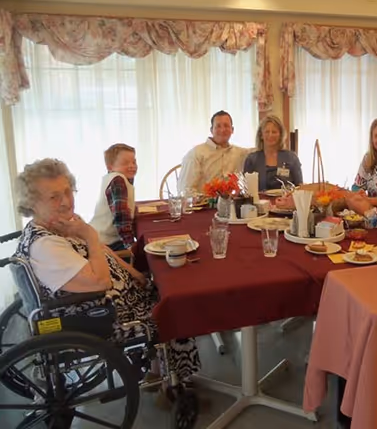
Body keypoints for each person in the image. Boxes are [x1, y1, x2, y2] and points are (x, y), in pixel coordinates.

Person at [14, 158, 200, 382]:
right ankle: (176, 383)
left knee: (169, 285)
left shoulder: (62, 222)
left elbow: (101, 250)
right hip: (104, 314)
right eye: (54, 197)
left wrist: (133, 273)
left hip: (121, 298)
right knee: (175, 304)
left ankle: (158, 371)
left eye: (68, 191)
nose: (66, 202)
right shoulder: (46, 246)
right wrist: (90, 235)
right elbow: (100, 283)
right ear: (32, 203)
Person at [178, 110, 249, 193]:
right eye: (218, 126)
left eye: (226, 126)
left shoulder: (240, 153)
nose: (222, 130)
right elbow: (185, 189)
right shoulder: (196, 154)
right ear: (211, 130)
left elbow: (260, 150)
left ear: (232, 130)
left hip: (231, 203)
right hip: (203, 203)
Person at [90, 143, 137, 251]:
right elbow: (121, 216)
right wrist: (130, 244)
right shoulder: (118, 180)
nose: (132, 165)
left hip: (99, 236)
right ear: (110, 167)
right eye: (125, 163)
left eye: (134, 161)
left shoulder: (113, 177)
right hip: (106, 243)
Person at [243, 114, 303, 191]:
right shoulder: (251, 160)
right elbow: (246, 190)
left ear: (280, 135)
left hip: (286, 201)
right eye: (267, 132)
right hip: (258, 202)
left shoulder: (292, 158)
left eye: (274, 132)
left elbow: (300, 187)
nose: (270, 135)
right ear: (261, 135)